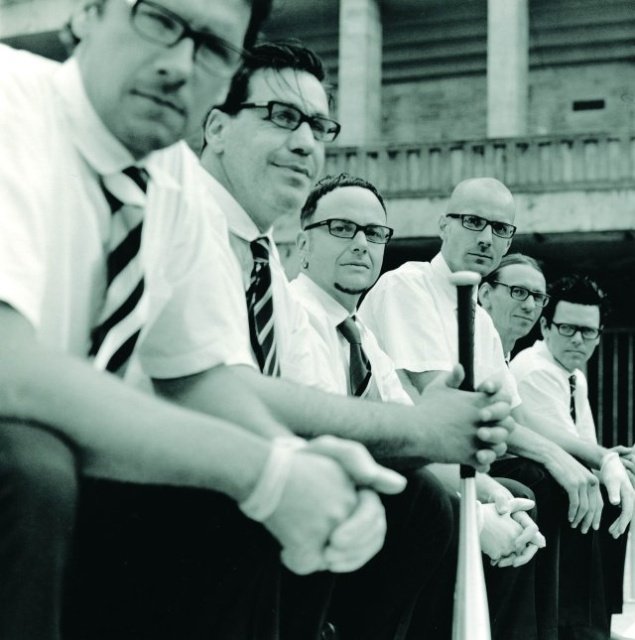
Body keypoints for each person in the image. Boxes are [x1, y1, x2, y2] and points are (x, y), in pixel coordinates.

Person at [0, 2, 411, 638]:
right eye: (161, 20)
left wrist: (294, 460)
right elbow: (11, 370)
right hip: (27, 456)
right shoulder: (12, 100)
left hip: (73, 468)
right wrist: (265, 473)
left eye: (215, 48)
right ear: (88, 13)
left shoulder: (174, 182)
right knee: (28, 464)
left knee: (238, 505)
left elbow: (196, 376)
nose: (180, 64)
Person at [197, 43, 513, 638]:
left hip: (271, 464)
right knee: (417, 500)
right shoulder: (207, 235)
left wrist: (482, 492)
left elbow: (395, 416)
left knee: (442, 498)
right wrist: (428, 435)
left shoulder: (293, 288)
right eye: (282, 116)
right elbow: (262, 403)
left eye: (319, 127)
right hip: (201, 473)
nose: (304, 142)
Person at [359, 177, 634, 640]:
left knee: (590, 490)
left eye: (501, 229)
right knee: (535, 484)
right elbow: (445, 404)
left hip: (461, 460)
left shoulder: (480, 319)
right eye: (473, 222)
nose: (487, 238)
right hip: (417, 459)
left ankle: (574, 632)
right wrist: (556, 459)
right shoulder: (406, 286)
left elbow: (516, 417)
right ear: (444, 225)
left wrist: (595, 459)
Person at [290, 172, 545, 640]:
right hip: (305, 493)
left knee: (509, 495)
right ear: (302, 243)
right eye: (342, 229)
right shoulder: (292, 315)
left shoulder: (360, 337)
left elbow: (414, 432)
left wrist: (489, 497)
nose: (361, 244)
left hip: (360, 488)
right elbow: (341, 434)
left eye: (374, 233)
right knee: (427, 503)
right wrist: (473, 516)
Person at [510, 274, 632, 639]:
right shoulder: (535, 371)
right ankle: (583, 628)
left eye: (588, 331)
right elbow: (567, 455)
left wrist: (613, 457)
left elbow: (579, 444)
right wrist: (609, 461)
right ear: (545, 327)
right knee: (611, 491)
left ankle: (600, 622)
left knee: (621, 481)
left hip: (561, 485)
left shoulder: (571, 374)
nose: (578, 339)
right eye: (567, 328)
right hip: (539, 486)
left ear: (598, 335)